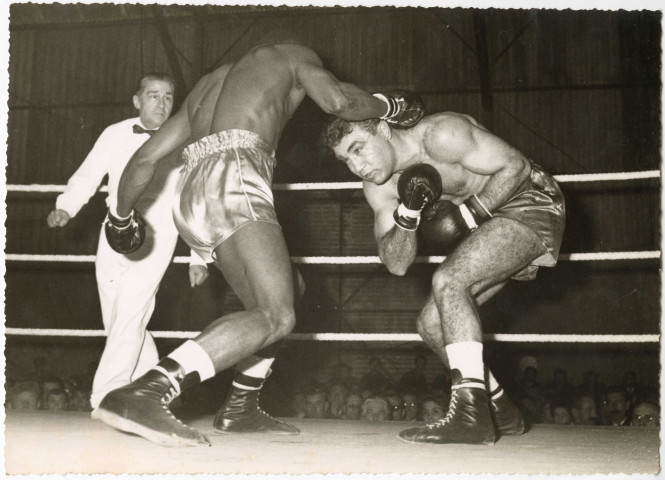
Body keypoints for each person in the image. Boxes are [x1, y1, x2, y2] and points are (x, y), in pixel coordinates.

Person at [92, 39, 424, 447]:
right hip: (235, 177)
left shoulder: (207, 86)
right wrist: (389, 107)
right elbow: (338, 102)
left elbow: (144, 161)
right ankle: (146, 391)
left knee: (287, 293)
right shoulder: (291, 55)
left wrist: (120, 216)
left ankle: (240, 406)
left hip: (190, 196)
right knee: (277, 314)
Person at [322, 110, 565, 445]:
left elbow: (517, 166)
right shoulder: (379, 187)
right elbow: (396, 263)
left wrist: (468, 215)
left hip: (529, 199)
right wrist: (408, 211)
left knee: (449, 281)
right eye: (344, 160)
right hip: (488, 225)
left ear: (382, 129)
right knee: (431, 325)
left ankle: (469, 415)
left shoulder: (441, 135)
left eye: (358, 148)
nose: (357, 167)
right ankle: (500, 411)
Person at [46, 73, 210, 409]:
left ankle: (108, 396)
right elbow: (89, 174)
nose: (161, 104)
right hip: (114, 230)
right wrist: (66, 207)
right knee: (119, 320)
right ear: (137, 100)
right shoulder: (115, 133)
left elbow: (196, 199)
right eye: (153, 95)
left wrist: (198, 255)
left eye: (168, 97)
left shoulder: (185, 142)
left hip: (159, 235)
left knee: (130, 315)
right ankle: (152, 389)